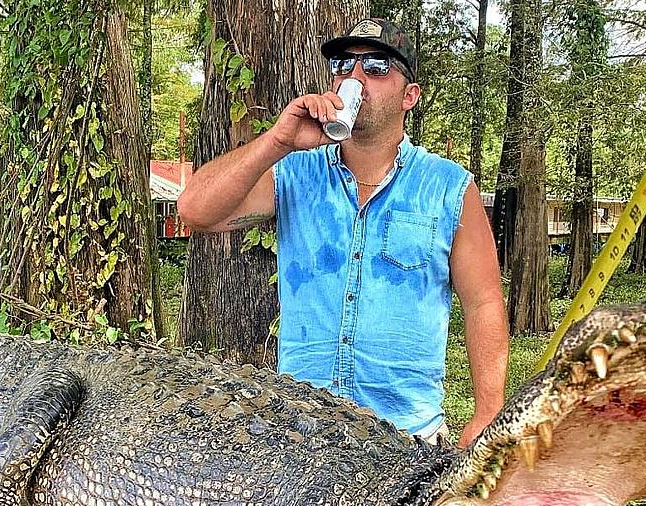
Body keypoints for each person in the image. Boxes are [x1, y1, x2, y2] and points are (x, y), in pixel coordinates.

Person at [176, 18, 509, 448]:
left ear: (410, 95)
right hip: (302, 436)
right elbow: (194, 210)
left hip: (407, 442)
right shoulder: (294, 172)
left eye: (375, 66)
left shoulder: (448, 187)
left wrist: (487, 411)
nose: (355, 76)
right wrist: (277, 141)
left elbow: (483, 301)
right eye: (343, 64)